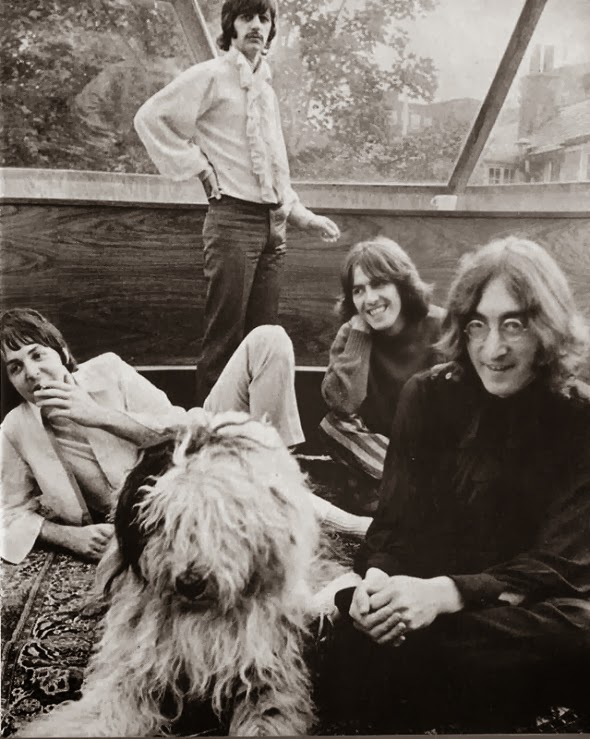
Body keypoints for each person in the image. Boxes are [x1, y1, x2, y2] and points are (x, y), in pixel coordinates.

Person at [317, 237, 590, 732]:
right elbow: (393, 527)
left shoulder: (579, 416)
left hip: (518, 604)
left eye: (514, 324)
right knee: (364, 625)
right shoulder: (426, 395)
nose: (493, 348)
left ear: (547, 327)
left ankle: (421, 678)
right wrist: (376, 583)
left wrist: (444, 595)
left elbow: (559, 567)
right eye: (477, 325)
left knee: (579, 630)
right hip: (428, 601)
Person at [1, 309, 369, 565]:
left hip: (189, 453)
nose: (31, 373)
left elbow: (180, 426)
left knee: (268, 338)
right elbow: (7, 513)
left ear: (62, 353)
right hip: (162, 508)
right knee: (234, 475)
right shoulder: (16, 430)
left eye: (38, 355)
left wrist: (98, 416)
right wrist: (71, 538)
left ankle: (281, 491)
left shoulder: (108, 370)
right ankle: (283, 501)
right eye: (16, 367)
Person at [134, 0, 341, 403]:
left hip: (274, 230)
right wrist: (199, 167)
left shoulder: (267, 91)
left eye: (264, 18)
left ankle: (256, 432)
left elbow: (275, 171)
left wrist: (304, 217)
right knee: (225, 340)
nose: (256, 26)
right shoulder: (212, 75)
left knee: (264, 340)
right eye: (246, 17)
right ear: (230, 25)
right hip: (232, 223)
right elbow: (149, 117)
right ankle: (212, 434)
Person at [320, 237, 443, 494]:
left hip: (430, 448)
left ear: (402, 285)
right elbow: (342, 405)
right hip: (381, 448)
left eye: (378, 284)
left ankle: (392, 491)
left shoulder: (440, 325)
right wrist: (360, 336)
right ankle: (406, 489)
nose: (370, 299)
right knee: (333, 426)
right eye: (358, 290)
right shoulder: (351, 334)